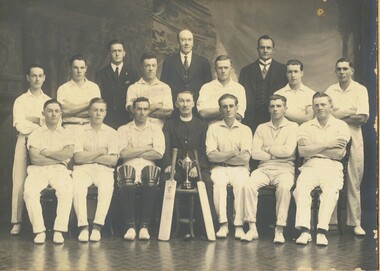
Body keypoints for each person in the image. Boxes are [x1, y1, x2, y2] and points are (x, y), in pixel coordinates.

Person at [293, 92, 350, 246]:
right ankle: (304, 231)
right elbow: (303, 152)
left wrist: (314, 147)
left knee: (330, 191)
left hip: (333, 165)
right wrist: (328, 143)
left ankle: (321, 231)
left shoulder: (341, 126)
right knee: (300, 189)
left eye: (323, 104)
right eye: (316, 105)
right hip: (310, 165)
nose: (320, 108)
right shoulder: (305, 127)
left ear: (331, 105)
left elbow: (338, 153)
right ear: (313, 107)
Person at [243, 95, 298, 243]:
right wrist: (275, 155)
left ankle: (279, 229)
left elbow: (288, 151)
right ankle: (252, 228)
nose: (275, 109)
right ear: (268, 108)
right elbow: (254, 153)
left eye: (279, 106)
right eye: (272, 106)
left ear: (285, 109)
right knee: (248, 185)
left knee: (285, 188)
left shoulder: (293, 127)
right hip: (264, 168)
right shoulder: (261, 127)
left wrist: (267, 149)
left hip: (285, 168)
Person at [161, 91, 217, 235]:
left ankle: (205, 228)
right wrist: (169, 165)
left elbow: (206, 150)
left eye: (188, 101)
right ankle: (169, 227)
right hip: (176, 168)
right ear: (176, 104)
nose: (185, 104)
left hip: (197, 167)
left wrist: (199, 167)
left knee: (206, 182)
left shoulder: (202, 125)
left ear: (193, 103)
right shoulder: (169, 124)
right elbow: (165, 147)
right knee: (165, 181)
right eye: (181, 101)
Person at [325, 58, 369, 236]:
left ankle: (355, 223)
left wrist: (338, 115)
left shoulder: (360, 90)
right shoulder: (330, 90)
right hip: (333, 139)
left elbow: (362, 118)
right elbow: (326, 116)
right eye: (338, 69)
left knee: (353, 181)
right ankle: (331, 221)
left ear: (352, 71)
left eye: (345, 69)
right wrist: (349, 112)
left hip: (354, 138)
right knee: (331, 178)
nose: (341, 72)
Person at [23, 99, 74, 244]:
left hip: (59, 170)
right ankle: (39, 231)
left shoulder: (66, 133)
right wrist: (58, 156)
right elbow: (35, 158)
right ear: (43, 113)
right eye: (50, 111)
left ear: (61, 114)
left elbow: (68, 154)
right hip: (38, 170)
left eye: (57, 111)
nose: (53, 114)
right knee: (29, 192)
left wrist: (46, 152)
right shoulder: (36, 134)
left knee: (66, 190)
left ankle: (59, 230)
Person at [11, 64, 51, 235]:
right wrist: (39, 122)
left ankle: (43, 221)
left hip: (43, 143)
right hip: (23, 141)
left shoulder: (48, 100)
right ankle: (17, 221)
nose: (37, 79)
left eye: (40, 75)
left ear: (44, 78)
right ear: (28, 77)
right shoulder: (20, 100)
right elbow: (19, 124)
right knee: (19, 181)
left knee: (41, 179)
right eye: (33, 75)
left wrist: (33, 120)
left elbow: (51, 125)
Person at [117, 97, 165, 240]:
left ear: (148, 110)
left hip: (148, 165)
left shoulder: (156, 130)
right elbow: (122, 153)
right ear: (133, 110)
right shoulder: (123, 129)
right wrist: (146, 148)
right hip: (128, 164)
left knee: (150, 177)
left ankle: (144, 226)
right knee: (127, 176)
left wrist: (133, 149)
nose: (142, 112)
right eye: (139, 109)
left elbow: (158, 153)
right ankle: (130, 227)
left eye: (145, 109)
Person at [72, 98, 119, 242]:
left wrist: (89, 156)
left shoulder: (112, 132)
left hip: (104, 170)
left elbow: (112, 160)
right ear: (89, 112)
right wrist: (100, 152)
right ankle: (83, 227)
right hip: (82, 169)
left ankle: (98, 227)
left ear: (105, 113)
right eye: (95, 110)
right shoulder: (79, 131)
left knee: (106, 187)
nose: (98, 113)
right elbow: (78, 158)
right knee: (77, 187)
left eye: (101, 110)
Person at [206, 94, 252, 239]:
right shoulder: (213, 128)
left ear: (237, 108)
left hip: (240, 169)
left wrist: (223, 155)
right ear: (220, 109)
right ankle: (223, 224)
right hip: (219, 167)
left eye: (231, 106)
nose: (228, 109)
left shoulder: (245, 129)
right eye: (224, 106)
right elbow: (211, 156)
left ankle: (238, 225)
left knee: (241, 184)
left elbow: (245, 158)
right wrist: (233, 152)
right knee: (218, 184)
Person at [238, 34, 287, 133]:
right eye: (262, 48)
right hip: (251, 119)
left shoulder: (283, 70)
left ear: (274, 50)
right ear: (257, 49)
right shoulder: (246, 71)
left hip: (274, 118)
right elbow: (240, 95)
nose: (265, 51)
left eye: (268, 48)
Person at [160, 29, 212, 104]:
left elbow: (208, 87)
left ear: (193, 42)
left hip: (198, 107)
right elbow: (164, 87)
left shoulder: (203, 62)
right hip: (176, 107)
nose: (187, 43)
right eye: (183, 40)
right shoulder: (169, 62)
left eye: (189, 40)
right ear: (178, 42)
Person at [96, 39, 139, 129]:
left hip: (127, 119)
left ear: (124, 53)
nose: (117, 54)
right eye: (114, 51)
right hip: (108, 120)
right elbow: (99, 98)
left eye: (119, 51)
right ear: (109, 53)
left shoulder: (132, 73)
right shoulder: (101, 74)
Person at [126, 52, 173, 129]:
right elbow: (132, 112)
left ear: (156, 67)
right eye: (147, 66)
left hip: (159, 130)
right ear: (141, 67)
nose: (151, 69)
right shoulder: (133, 88)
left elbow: (168, 112)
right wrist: (154, 106)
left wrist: (141, 111)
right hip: (138, 131)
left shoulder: (165, 88)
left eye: (153, 65)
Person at [197, 55, 246, 123]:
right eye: (220, 68)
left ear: (231, 69)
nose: (223, 71)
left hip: (233, 130)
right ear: (215, 69)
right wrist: (228, 110)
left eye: (226, 68)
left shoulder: (239, 88)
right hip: (212, 128)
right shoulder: (206, 87)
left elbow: (239, 115)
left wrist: (214, 112)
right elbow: (203, 113)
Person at [57, 55, 101, 128]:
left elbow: (96, 110)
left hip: (89, 126)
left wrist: (71, 108)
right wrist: (88, 105)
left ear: (86, 69)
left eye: (82, 68)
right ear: (70, 69)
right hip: (69, 126)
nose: (79, 71)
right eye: (75, 68)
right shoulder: (63, 88)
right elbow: (63, 111)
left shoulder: (94, 87)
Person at [274, 59, 315, 125]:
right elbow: (276, 119)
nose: (293, 75)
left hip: (304, 132)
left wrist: (285, 113)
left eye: (296, 71)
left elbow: (308, 118)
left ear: (301, 73)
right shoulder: (278, 94)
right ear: (286, 74)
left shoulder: (311, 94)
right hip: (285, 132)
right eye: (290, 72)